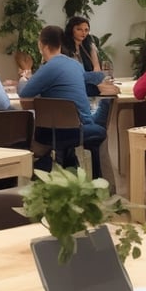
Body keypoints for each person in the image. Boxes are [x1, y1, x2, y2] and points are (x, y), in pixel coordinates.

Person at [18, 24, 113, 178]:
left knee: (34, 130)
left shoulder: (48, 68)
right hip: (82, 126)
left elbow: (25, 93)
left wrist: (24, 78)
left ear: (41, 45)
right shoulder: (76, 65)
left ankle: (40, 175)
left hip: (56, 132)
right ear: (61, 43)